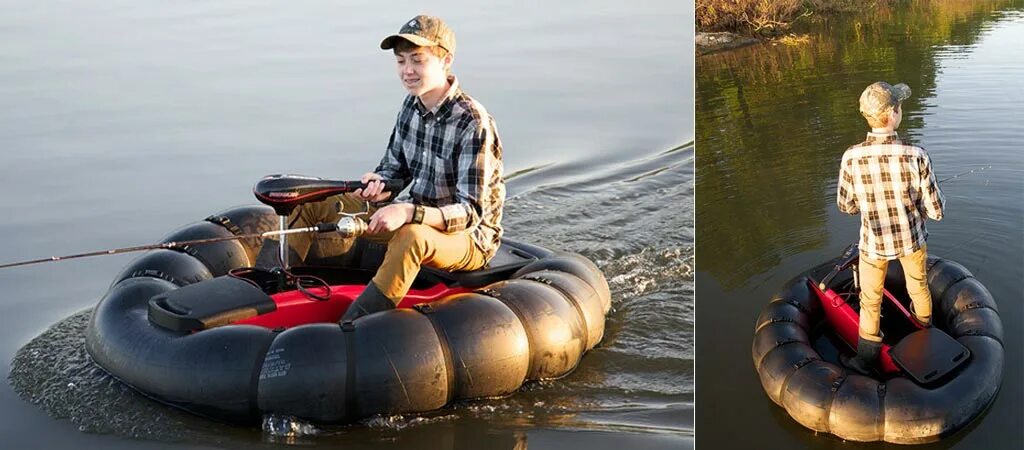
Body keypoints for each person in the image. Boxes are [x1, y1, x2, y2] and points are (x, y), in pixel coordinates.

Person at [281, 14, 505, 322]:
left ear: (446, 60)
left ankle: (353, 327)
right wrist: (379, 184)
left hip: (468, 239)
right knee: (316, 205)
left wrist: (409, 212)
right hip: (419, 216)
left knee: (412, 237)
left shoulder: (473, 122)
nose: (408, 71)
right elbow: (394, 170)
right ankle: (281, 295)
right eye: (401, 62)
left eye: (418, 60)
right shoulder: (410, 106)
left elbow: (471, 212)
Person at [836, 81, 945, 375]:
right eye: (900, 106)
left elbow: (846, 206)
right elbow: (936, 212)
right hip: (912, 241)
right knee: (918, 287)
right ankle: (925, 337)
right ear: (894, 114)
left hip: (872, 245)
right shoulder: (917, 155)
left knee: (870, 300)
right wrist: (920, 209)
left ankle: (865, 360)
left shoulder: (851, 157)